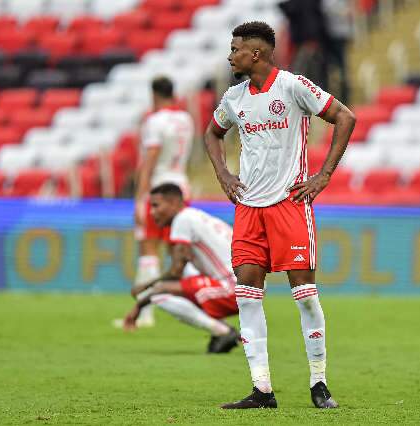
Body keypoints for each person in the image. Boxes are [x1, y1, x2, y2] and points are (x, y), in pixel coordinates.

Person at [203, 22, 356, 409]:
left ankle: (319, 384)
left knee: (304, 297)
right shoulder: (234, 97)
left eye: (235, 48)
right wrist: (223, 174)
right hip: (249, 209)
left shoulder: (293, 86)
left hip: (289, 206)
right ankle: (262, 390)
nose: (230, 55)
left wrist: (323, 176)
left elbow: (345, 117)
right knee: (247, 298)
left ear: (255, 53)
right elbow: (211, 133)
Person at [123, 183, 240, 353]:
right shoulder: (196, 217)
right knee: (181, 279)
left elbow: (175, 272)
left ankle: (224, 332)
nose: (152, 212)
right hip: (246, 285)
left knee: (160, 293)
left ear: (173, 203)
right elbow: (181, 270)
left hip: (233, 289)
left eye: (156, 205)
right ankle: (222, 331)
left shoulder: (182, 220)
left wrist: (142, 299)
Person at [132, 76, 195, 327]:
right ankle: (200, 303)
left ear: (154, 95)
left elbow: (150, 158)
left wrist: (140, 198)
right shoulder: (186, 119)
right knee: (178, 250)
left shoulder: (154, 121)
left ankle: (145, 314)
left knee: (149, 250)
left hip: (159, 189)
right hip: (181, 187)